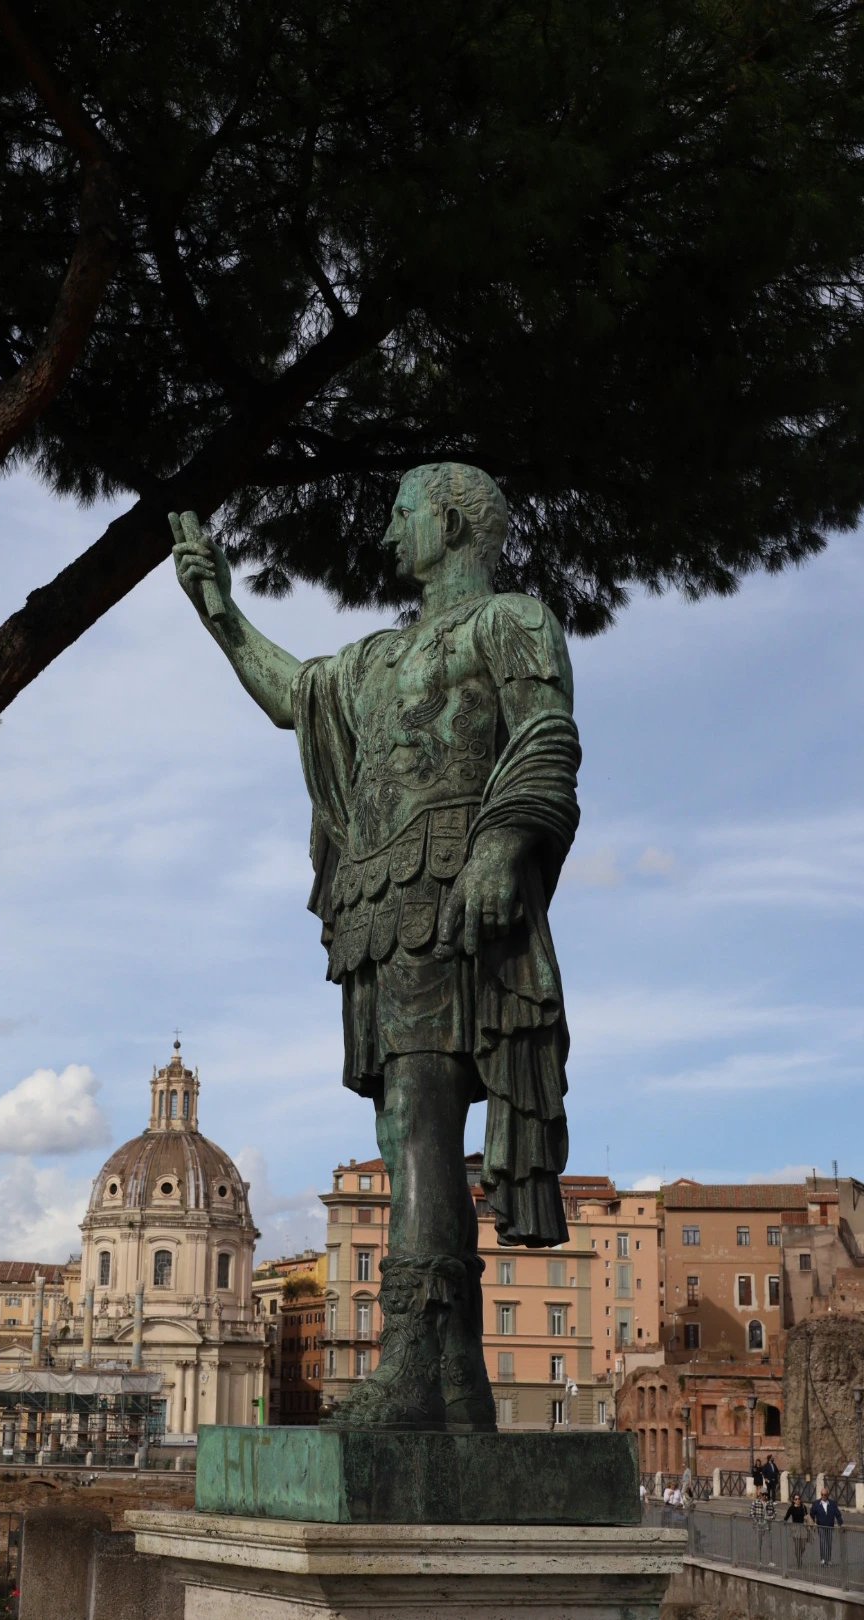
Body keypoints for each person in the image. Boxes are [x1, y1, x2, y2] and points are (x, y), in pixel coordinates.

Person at [173, 463, 581, 1429]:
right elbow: (293, 696)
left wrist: (499, 845)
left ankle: (418, 1357)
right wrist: (221, 612)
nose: (389, 533)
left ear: (451, 520)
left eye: (402, 513)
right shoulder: (374, 658)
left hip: (453, 885)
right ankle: (453, 1378)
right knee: (404, 1120)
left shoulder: (512, 622)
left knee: (424, 1110)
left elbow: (546, 736)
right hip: (384, 902)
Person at [810, 1484, 843, 1566]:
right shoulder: (816, 1504)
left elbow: (838, 1514)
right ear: (820, 1495)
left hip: (830, 1526)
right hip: (821, 1526)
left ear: (827, 1495)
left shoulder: (833, 1504)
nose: (823, 1496)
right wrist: (812, 1522)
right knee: (823, 1542)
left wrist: (840, 1523)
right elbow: (812, 1513)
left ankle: (828, 1559)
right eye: (822, 1494)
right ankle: (823, 1559)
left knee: (829, 1543)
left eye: (825, 1494)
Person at [783, 1491, 809, 1568]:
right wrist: (783, 1523)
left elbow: (806, 1516)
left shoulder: (803, 1507)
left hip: (803, 1527)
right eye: (796, 1499)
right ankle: (799, 1561)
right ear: (793, 1500)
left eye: (799, 1499)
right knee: (797, 1546)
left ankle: (799, 1555)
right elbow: (786, 1517)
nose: (797, 1500)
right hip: (795, 1528)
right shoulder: (791, 1508)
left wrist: (806, 1518)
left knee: (803, 1546)